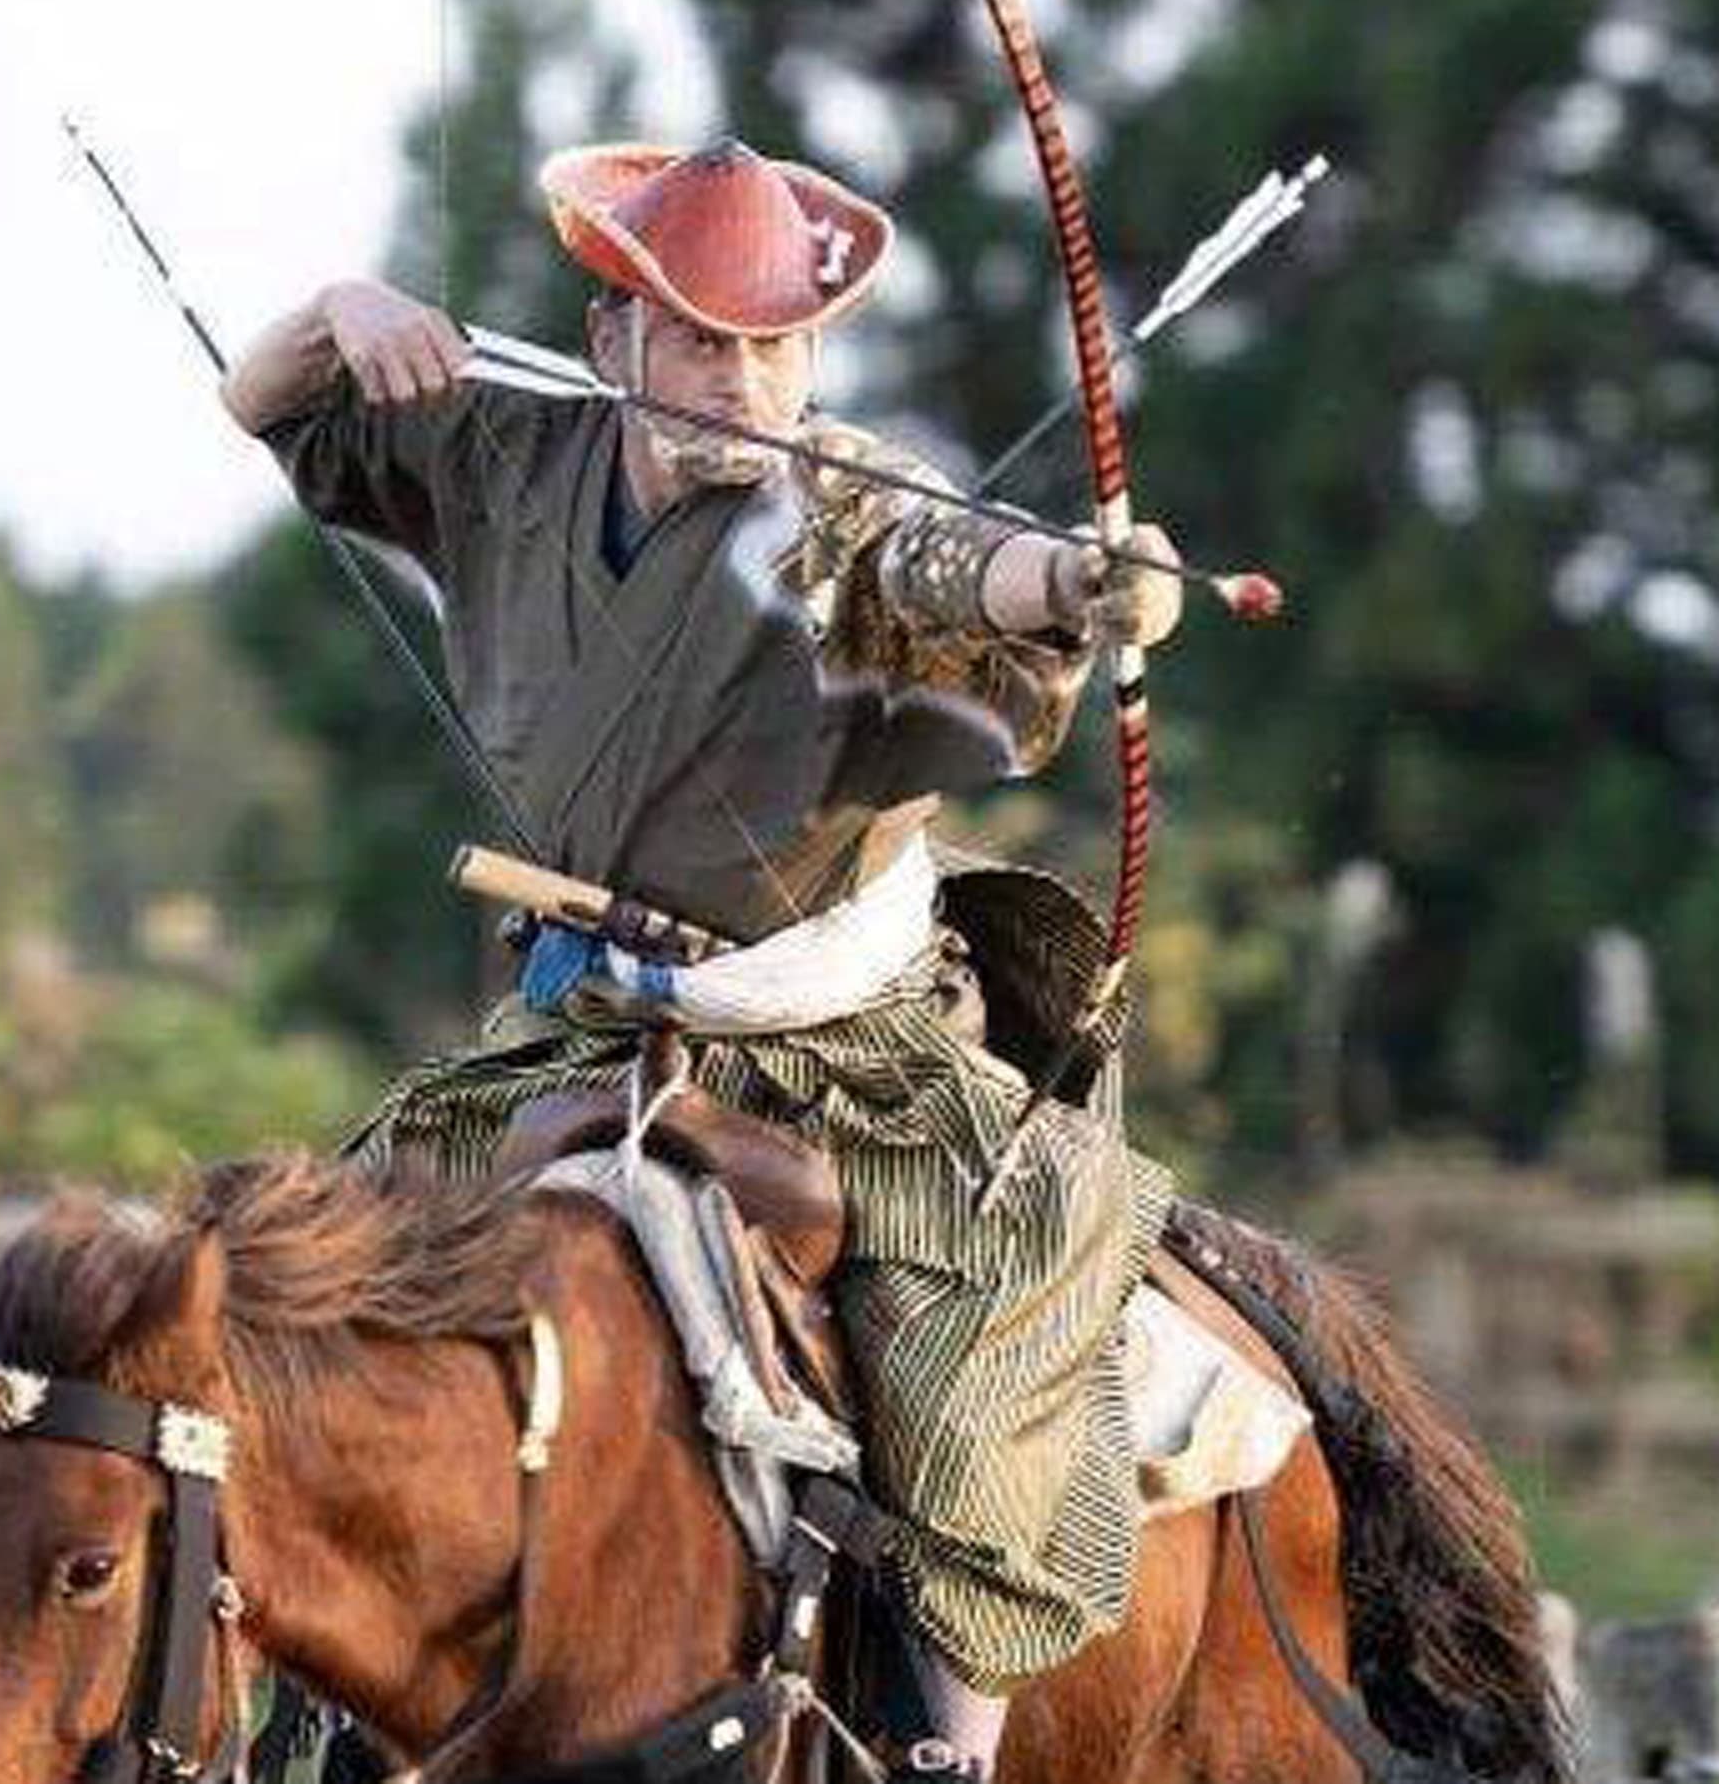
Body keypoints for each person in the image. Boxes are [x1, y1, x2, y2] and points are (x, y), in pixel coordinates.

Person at [222, 136, 1182, 1780]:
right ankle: (317, 1703)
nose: (739, 381)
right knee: (329, 1287)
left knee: (986, 1309)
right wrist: (343, 305)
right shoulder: (504, 457)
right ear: (613, 345)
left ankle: (948, 1746)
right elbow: (266, 401)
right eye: (695, 338)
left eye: (772, 346)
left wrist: (1082, 582)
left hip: (839, 1046)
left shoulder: (844, 511)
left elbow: (959, 568)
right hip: (585, 1024)